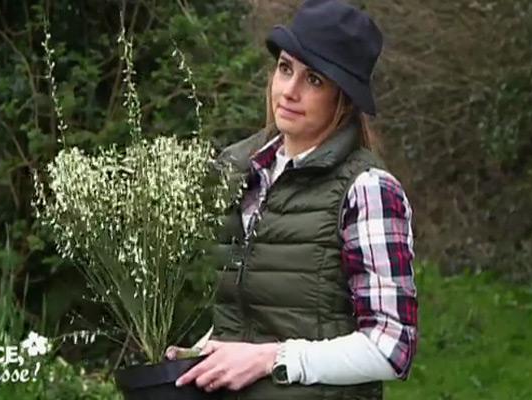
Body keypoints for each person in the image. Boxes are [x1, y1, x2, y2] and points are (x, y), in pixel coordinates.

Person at [169, 1, 418, 399]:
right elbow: (257, 311)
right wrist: (201, 354)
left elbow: (392, 347)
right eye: (285, 68)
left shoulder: (368, 189)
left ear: (345, 99)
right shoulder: (241, 172)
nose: (289, 90)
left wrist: (271, 358)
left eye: (314, 80)